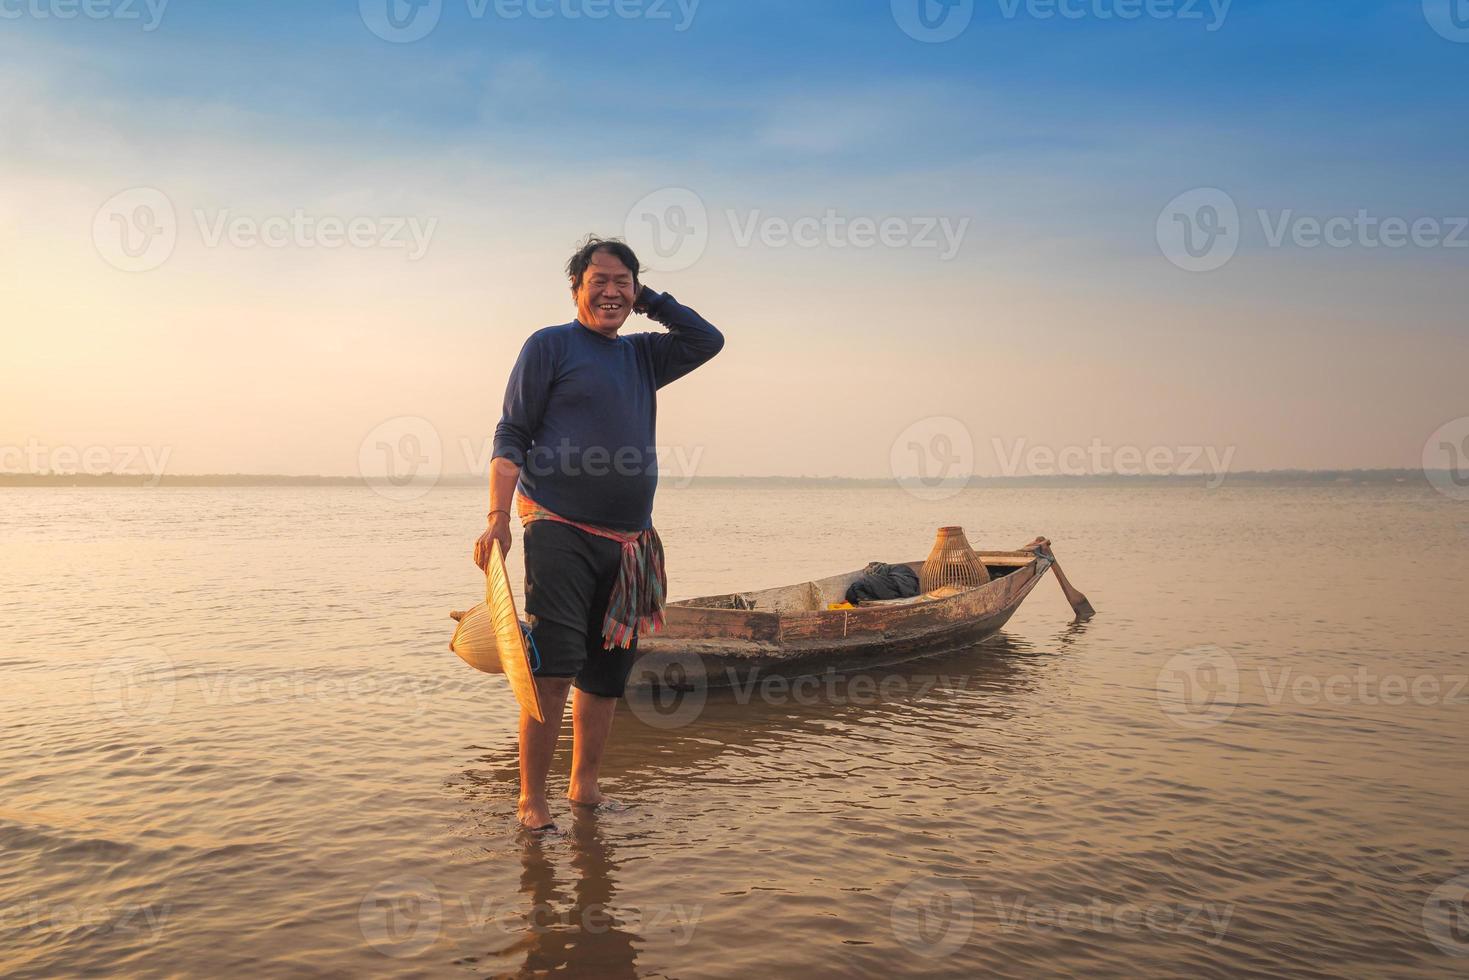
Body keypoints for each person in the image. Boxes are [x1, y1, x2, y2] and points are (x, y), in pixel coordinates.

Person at [474, 236, 724, 832]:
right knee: (556, 665)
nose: (611, 292)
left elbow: (706, 340)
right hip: (556, 524)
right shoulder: (550, 346)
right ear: (576, 290)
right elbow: (511, 435)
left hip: (630, 543)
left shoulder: (641, 356)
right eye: (599, 281)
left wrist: (653, 302)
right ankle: (531, 798)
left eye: (623, 282)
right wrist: (498, 518)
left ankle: (583, 788)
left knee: (608, 672)